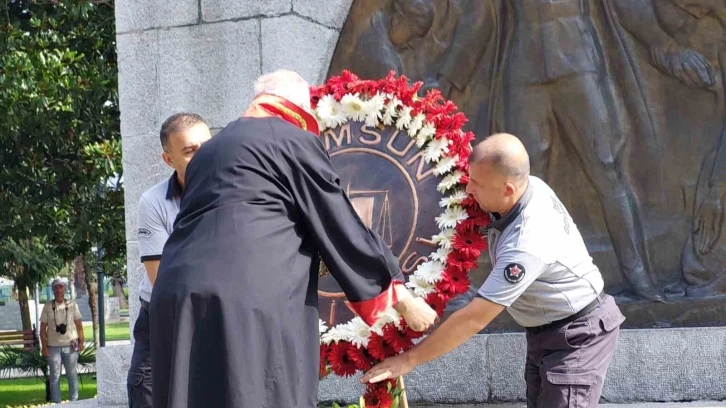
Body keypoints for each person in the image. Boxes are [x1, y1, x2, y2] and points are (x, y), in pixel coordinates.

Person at [149, 69, 438, 408]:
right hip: (245, 299)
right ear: (298, 107)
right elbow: (338, 219)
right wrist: (401, 297)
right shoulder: (290, 138)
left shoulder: (211, 151)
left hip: (178, 293)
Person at [362, 134, 626, 408]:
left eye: (476, 183)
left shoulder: (528, 243)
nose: (469, 190)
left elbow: (473, 320)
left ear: (508, 189)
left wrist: (408, 360)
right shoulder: (527, 185)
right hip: (545, 332)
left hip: (577, 336)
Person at [126, 113, 212, 408]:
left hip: (217, 316)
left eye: (206, 147)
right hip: (162, 317)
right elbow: (162, 279)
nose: (202, 156)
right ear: (168, 159)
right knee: (148, 396)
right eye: (189, 151)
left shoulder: (237, 194)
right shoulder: (153, 202)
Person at [40, 278, 84, 403]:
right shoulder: (48, 306)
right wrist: (44, 346)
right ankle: (56, 403)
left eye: (61, 287)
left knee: (72, 374)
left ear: (65, 288)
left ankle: (74, 402)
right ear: (53, 290)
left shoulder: (72, 304)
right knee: (55, 376)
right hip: (53, 346)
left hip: (70, 345)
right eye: (56, 287)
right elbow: (42, 328)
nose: (58, 290)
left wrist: (81, 341)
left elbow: (79, 325)